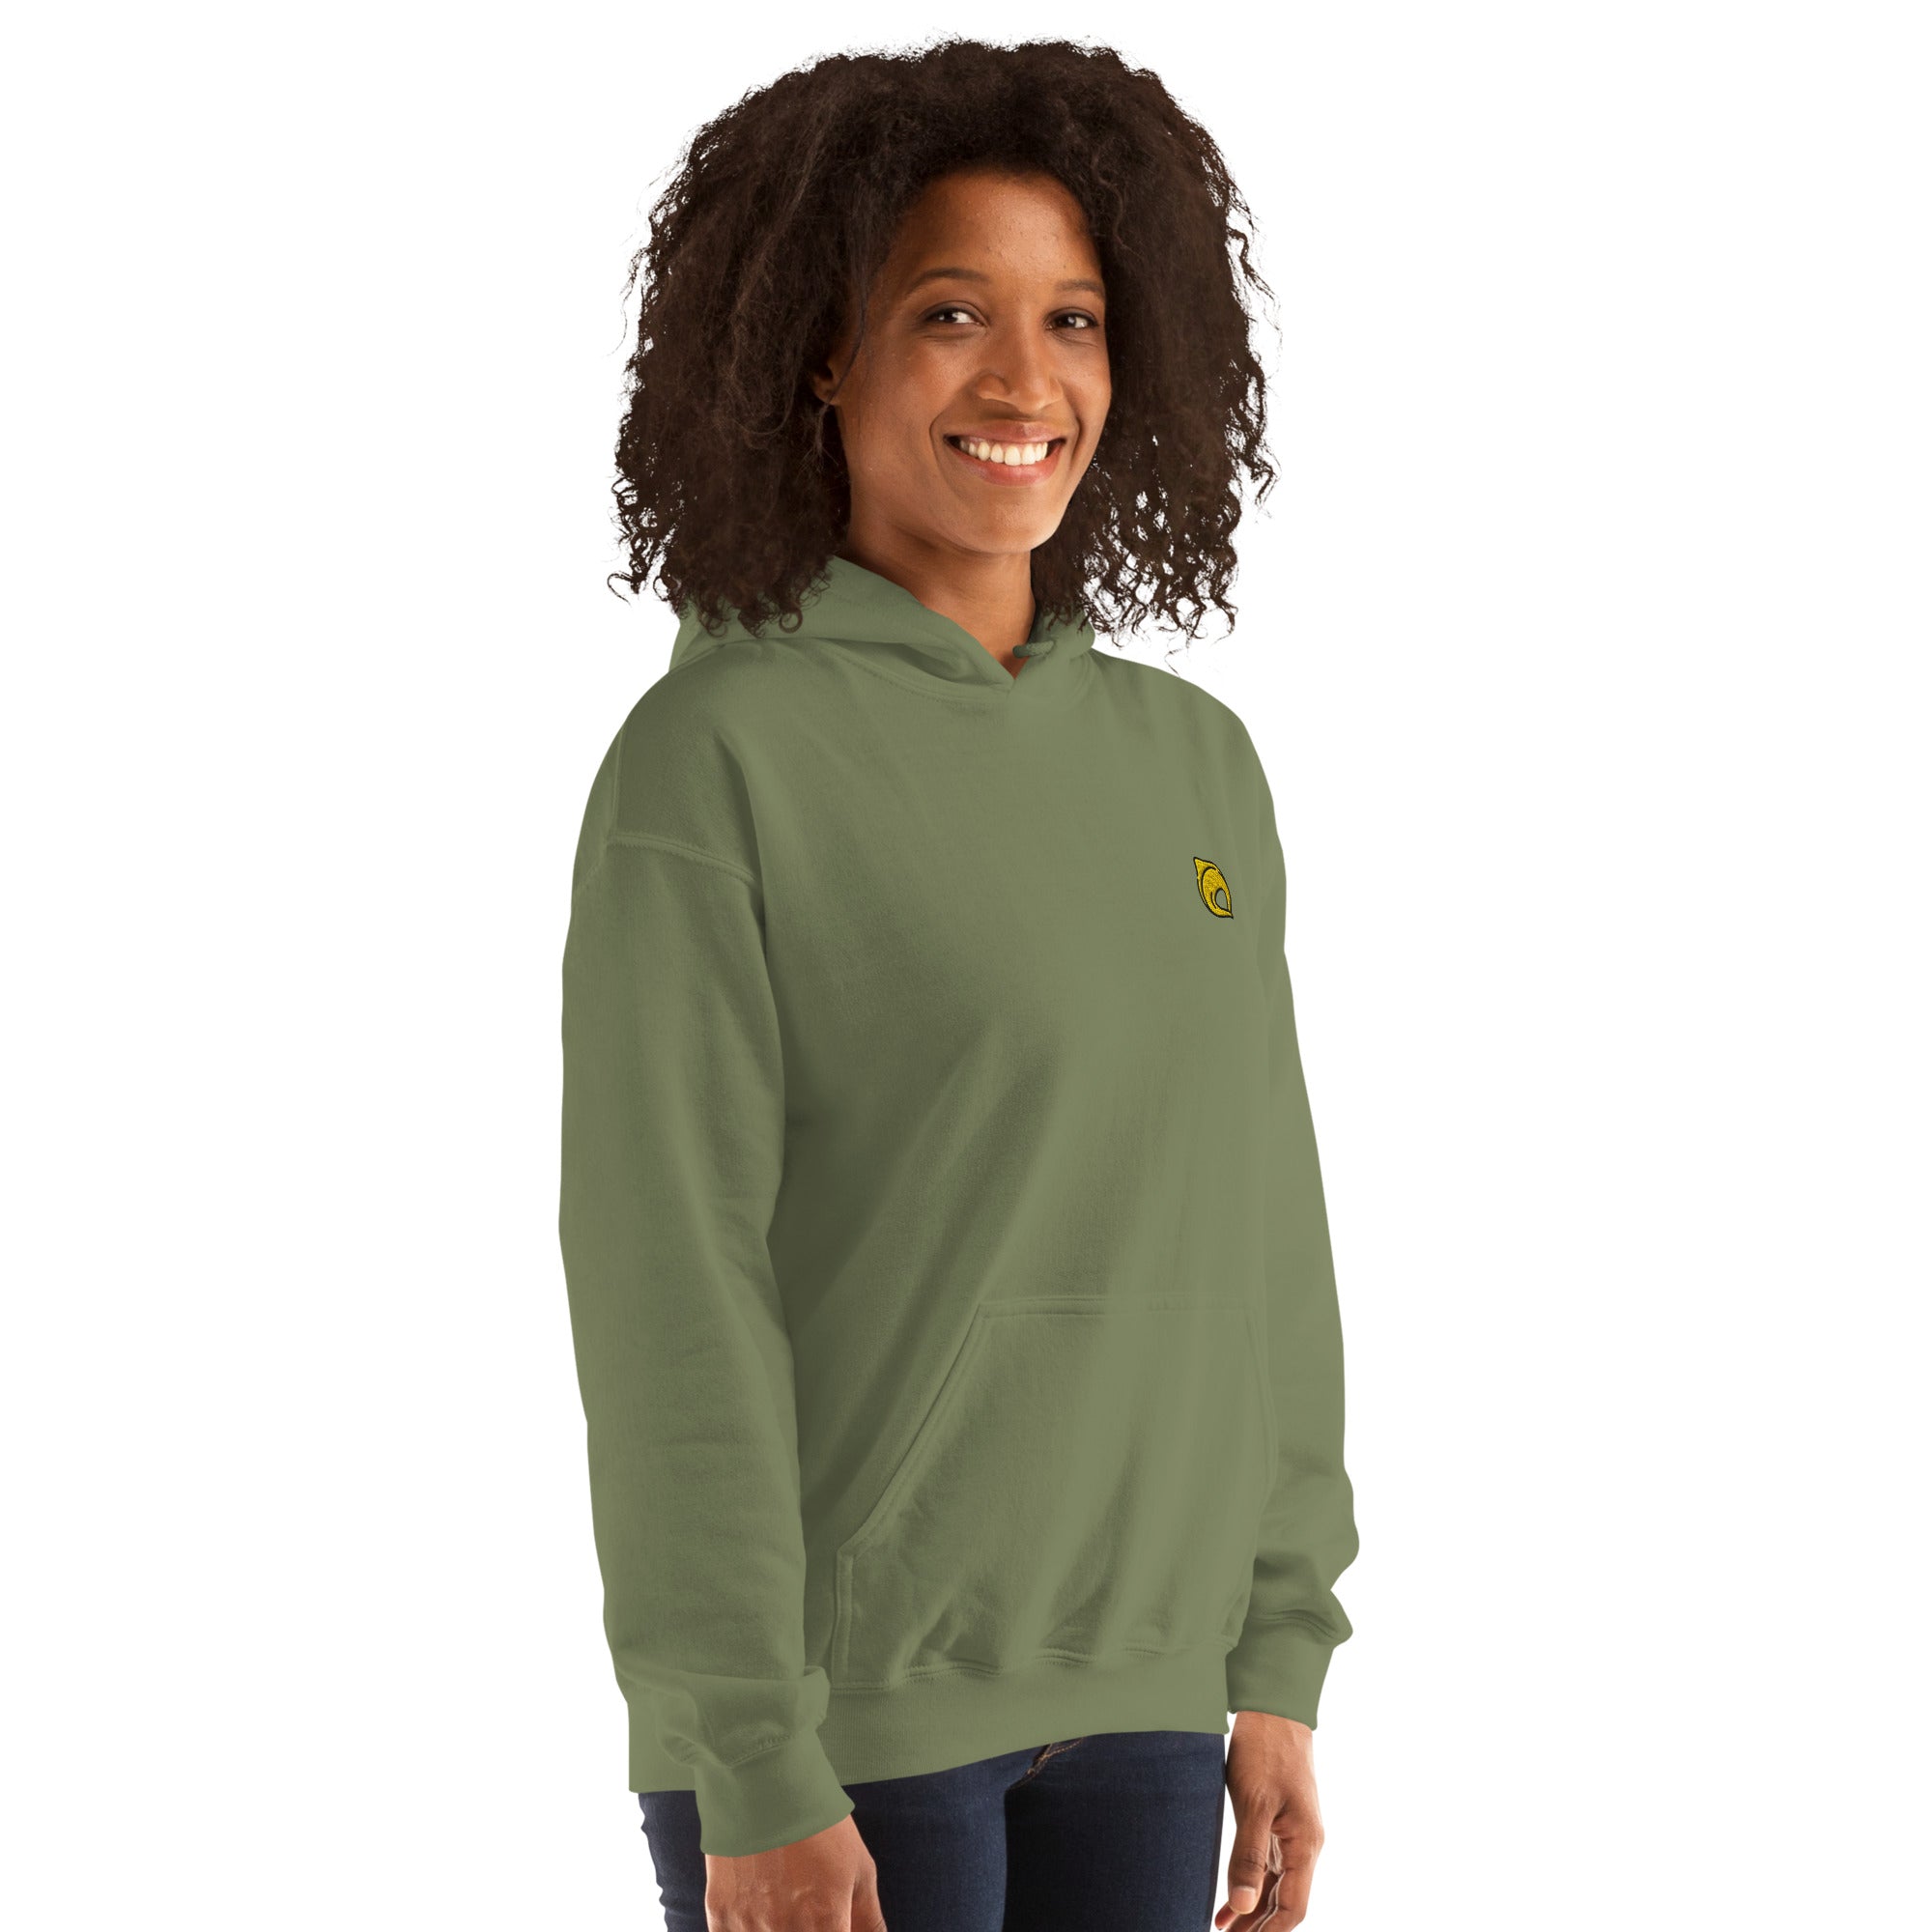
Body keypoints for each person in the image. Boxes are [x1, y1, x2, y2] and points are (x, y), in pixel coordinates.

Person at [558, 37, 1357, 1932]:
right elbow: (669, 1283)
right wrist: (745, 1744)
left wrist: (1275, 1649)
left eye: (1072, 319)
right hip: (848, 1731)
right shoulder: (716, 762)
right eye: (947, 313)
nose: (1022, 381)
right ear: (819, 357)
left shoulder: (1195, 765)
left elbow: (1261, 1217)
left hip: (1151, 1697)